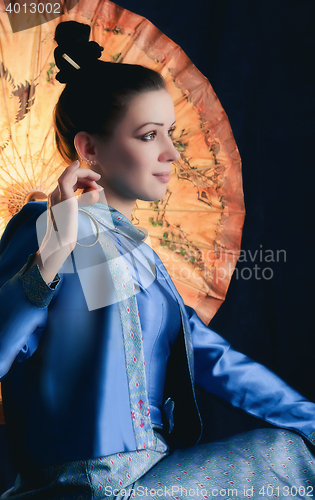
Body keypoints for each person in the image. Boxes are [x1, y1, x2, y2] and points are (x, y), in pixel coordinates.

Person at [0, 20, 314, 500]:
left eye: (169, 133)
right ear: (88, 148)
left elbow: (214, 358)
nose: (171, 152)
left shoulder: (144, 259)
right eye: (149, 135)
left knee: (298, 446)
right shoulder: (46, 228)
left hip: (155, 474)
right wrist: (51, 254)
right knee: (291, 458)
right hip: (86, 484)